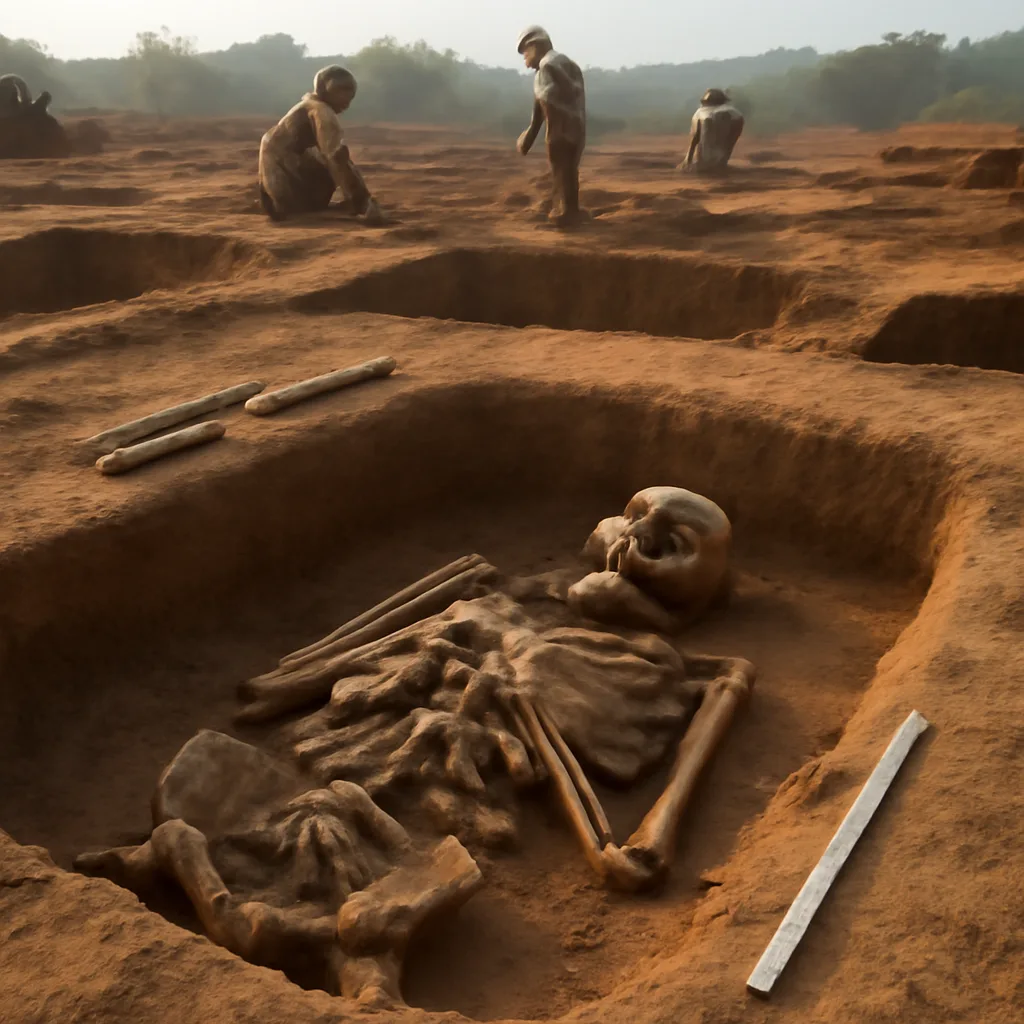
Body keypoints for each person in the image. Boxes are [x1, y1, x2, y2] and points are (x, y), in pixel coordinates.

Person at [258, 65, 381, 223]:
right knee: (336, 158)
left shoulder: (311, 105)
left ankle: (309, 207)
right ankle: (300, 211)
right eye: (343, 92)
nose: (347, 103)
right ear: (328, 90)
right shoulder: (320, 111)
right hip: (280, 173)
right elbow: (336, 156)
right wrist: (361, 202)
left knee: (333, 158)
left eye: (351, 97)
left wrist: (362, 196)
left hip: (281, 166)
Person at [515, 26, 587, 228]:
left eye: (525, 54)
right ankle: (572, 210)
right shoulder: (568, 63)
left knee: (560, 170)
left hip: (559, 131)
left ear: (534, 45)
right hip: (577, 129)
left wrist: (530, 135)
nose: (526, 61)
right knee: (570, 171)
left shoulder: (546, 66)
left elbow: (545, 101)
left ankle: (563, 214)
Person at [684, 89, 745, 174]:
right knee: (726, 145)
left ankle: (708, 164)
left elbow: (694, 140)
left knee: (705, 148)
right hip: (735, 119)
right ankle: (721, 163)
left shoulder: (700, 112)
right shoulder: (734, 112)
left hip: (707, 119)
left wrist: (687, 160)